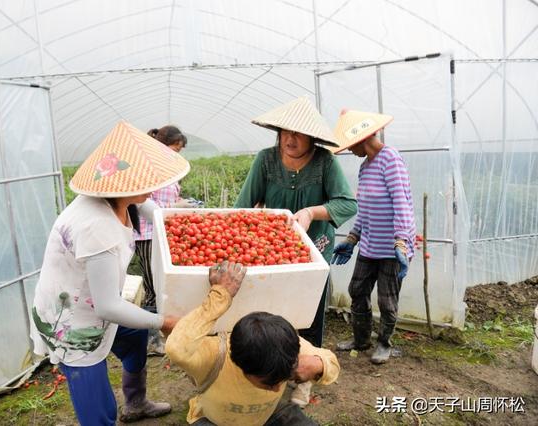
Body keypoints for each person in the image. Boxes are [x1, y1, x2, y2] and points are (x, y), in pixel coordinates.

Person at [30, 121, 190, 425]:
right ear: (124, 184)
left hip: (97, 302)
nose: (153, 186)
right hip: (74, 323)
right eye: (146, 180)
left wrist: (181, 224)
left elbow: (152, 211)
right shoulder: (96, 226)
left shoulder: (120, 199)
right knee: (98, 409)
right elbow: (108, 307)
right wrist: (163, 322)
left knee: (134, 337)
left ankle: (136, 403)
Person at [234, 96, 357, 406]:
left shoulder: (325, 162)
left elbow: (347, 203)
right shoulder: (266, 160)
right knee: (270, 311)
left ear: (311, 138)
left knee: (309, 313)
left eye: (298, 134)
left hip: (314, 249)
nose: (290, 139)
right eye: (285, 133)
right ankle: (268, 371)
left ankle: (304, 379)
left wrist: (312, 212)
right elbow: (243, 206)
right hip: (272, 249)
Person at [166, 261, 340, 426]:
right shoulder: (213, 357)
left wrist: (317, 364)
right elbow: (176, 348)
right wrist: (220, 295)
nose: (276, 390)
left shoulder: (284, 345)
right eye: (267, 383)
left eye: (283, 379)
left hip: (266, 417)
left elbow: (332, 363)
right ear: (239, 363)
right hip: (215, 420)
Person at [331, 109, 416, 364]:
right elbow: (365, 209)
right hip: (369, 246)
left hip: (392, 249)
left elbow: (402, 204)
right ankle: (361, 340)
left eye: (350, 145)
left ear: (362, 139)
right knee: (357, 289)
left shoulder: (390, 159)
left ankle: (385, 344)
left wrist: (401, 241)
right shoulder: (365, 166)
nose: (349, 150)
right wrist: (352, 238)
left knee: (387, 300)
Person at [135, 125, 192, 356]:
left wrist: (178, 204)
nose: (176, 154)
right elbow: (141, 203)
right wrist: (173, 207)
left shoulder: (167, 168)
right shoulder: (147, 169)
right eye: (174, 149)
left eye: (179, 151)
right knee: (152, 287)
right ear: (161, 145)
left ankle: (164, 332)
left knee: (166, 286)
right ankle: (151, 340)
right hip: (148, 235)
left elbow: (168, 198)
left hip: (164, 232)